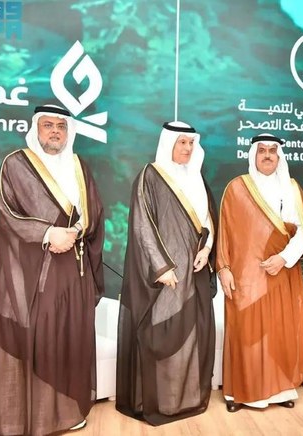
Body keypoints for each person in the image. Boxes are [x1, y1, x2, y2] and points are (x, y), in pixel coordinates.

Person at [0, 105, 105, 435]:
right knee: (40, 339)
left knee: (71, 339)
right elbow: (7, 215)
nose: (55, 132)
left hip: (76, 272)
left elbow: (94, 212)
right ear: (36, 129)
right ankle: (35, 419)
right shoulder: (16, 164)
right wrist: (49, 234)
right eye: (48, 125)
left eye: (61, 126)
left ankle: (68, 413)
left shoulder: (79, 166)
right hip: (36, 273)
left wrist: (75, 232)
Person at [116, 121, 217, 424]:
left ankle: (186, 400)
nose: (187, 148)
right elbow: (142, 224)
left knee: (193, 335)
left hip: (195, 272)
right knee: (163, 334)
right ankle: (160, 402)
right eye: (181, 142)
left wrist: (207, 249)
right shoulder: (151, 175)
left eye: (191, 143)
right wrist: (161, 267)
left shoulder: (197, 179)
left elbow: (207, 220)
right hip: (166, 278)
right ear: (168, 143)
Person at [216, 133, 303, 412]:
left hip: (281, 273)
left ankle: (280, 390)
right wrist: (223, 267)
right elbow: (224, 232)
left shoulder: (292, 188)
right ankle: (240, 393)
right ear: (254, 155)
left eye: (273, 150)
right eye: (262, 150)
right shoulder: (236, 188)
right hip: (244, 276)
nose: (268, 155)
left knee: (280, 331)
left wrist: (284, 258)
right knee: (246, 333)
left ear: (279, 156)